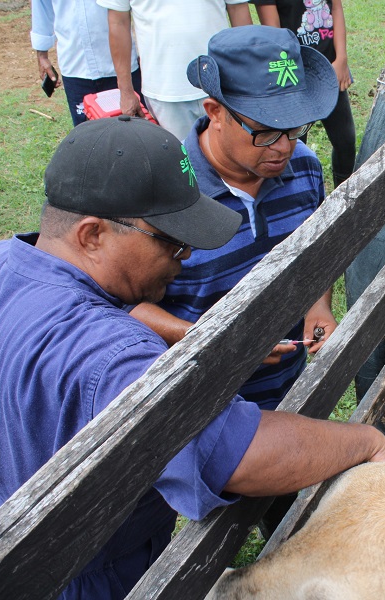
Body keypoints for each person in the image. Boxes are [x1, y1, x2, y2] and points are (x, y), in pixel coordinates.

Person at [0, 116, 385, 600]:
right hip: (92, 568)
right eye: (171, 241)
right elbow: (235, 455)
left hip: (1, 518)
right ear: (92, 235)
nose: (183, 257)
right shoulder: (117, 354)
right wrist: (364, 443)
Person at [130, 26, 338, 412]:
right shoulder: (163, 193)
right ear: (215, 112)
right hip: (199, 410)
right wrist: (206, 338)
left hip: (288, 396)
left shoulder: (305, 167)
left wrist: (316, 305)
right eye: (263, 132)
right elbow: (120, 303)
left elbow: (317, 254)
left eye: (294, 129)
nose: (283, 148)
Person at [99, 0, 254, 140]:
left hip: (223, 83)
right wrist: (125, 91)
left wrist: (250, 77)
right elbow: (118, 23)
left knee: (234, 161)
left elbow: (239, 12)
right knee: (180, 164)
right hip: (165, 90)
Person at [252, 0, 356, 188]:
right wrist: (291, 80)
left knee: (345, 141)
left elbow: (336, 7)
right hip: (294, 76)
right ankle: (301, 198)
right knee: (295, 147)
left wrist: (341, 59)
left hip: (330, 70)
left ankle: (346, 197)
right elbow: (275, 35)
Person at [31, 0, 141, 126]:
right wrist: (42, 55)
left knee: (132, 132)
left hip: (122, 66)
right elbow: (41, 5)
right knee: (87, 136)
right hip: (75, 65)